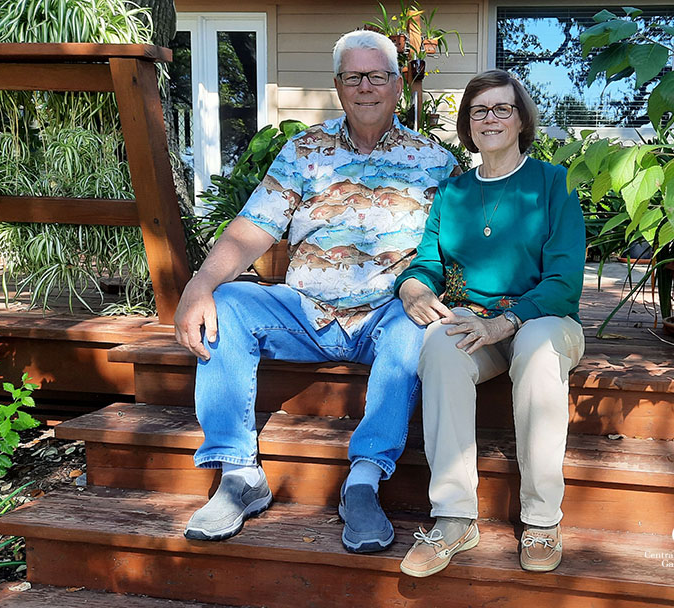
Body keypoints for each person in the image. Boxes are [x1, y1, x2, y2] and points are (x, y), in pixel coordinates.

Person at [174, 29, 459, 554]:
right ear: (337, 86)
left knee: (415, 330)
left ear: (398, 85)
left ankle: (364, 482)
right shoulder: (305, 151)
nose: (366, 87)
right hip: (305, 312)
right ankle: (239, 475)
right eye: (354, 77)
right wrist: (201, 283)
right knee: (230, 303)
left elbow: (457, 247)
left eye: (378, 76)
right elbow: (250, 228)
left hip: (387, 314)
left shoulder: (434, 162)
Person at [395, 70, 585, 576]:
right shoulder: (451, 194)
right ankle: (455, 517)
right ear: (468, 124)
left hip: (545, 319)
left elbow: (565, 282)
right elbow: (428, 263)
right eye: (479, 110)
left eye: (503, 108)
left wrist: (509, 321)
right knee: (439, 344)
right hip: (482, 324)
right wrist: (411, 286)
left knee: (539, 345)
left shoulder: (554, 184)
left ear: (522, 119)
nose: (490, 118)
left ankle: (542, 518)